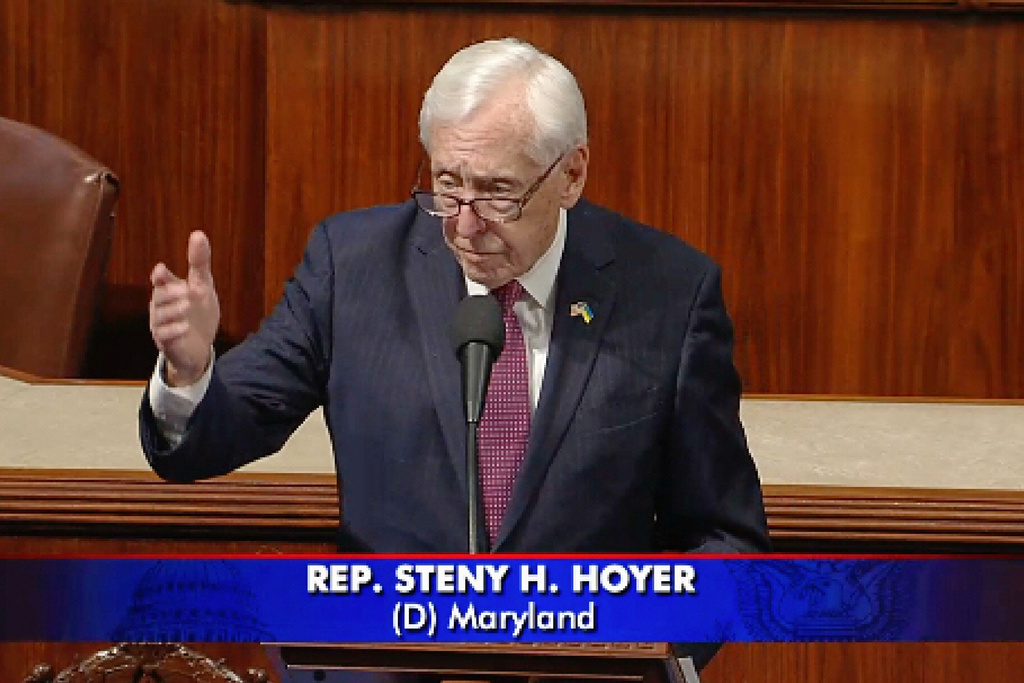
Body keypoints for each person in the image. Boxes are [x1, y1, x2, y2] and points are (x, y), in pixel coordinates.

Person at [142, 37, 768, 556]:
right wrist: (189, 374)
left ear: (571, 174)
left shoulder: (668, 293)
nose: (465, 226)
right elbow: (215, 436)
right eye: (447, 184)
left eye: (498, 192)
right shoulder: (352, 267)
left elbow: (723, 531)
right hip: (388, 648)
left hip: (586, 652)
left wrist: (650, 645)